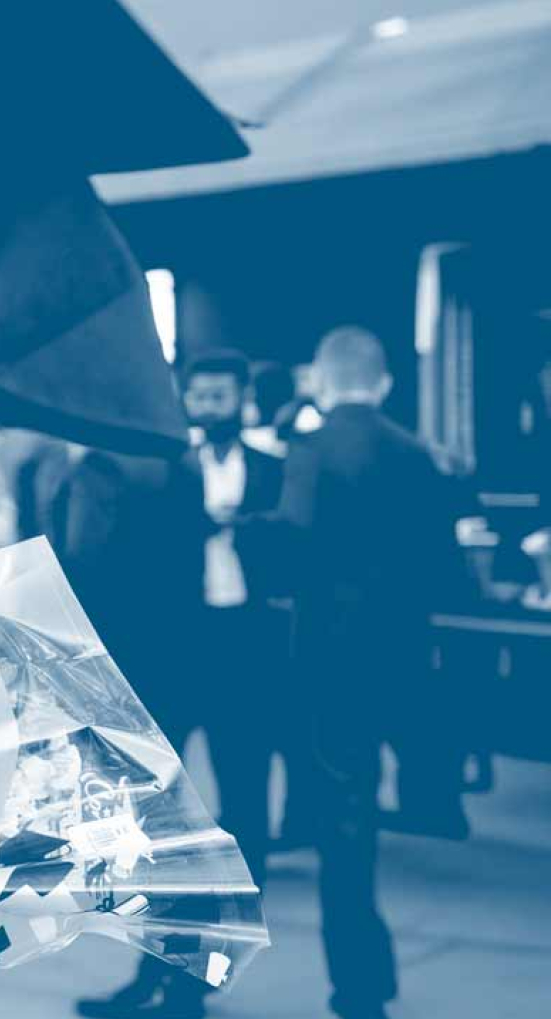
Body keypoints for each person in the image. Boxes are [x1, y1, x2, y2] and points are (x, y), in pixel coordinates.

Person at [76, 350, 286, 1019]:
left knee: (247, 818)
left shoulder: (274, 473)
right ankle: (154, 969)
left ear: (242, 399)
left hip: (249, 662)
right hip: (173, 659)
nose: (211, 406)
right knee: (160, 826)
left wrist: (251, 535)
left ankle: (204, 976)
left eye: (223, 395)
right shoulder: (154, 473)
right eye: (201, 395)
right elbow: (123, 567)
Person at [272, 325, 472, 1019]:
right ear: (383, 382)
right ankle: (434, 802)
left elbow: (291, 546)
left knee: (345, 825)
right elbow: (448, 569)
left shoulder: (309, 449)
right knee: (401, 787)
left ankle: (359, 986)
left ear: (320, 383)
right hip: (403, 653)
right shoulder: (417, 454)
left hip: (331, 659)